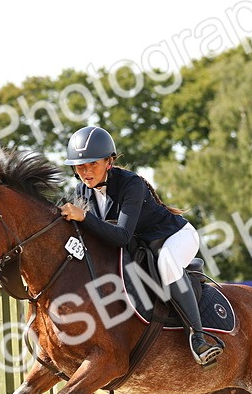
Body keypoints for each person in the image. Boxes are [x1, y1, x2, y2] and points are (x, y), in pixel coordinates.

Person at [57, 125, 223, 366]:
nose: (86, 171)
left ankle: (199, 337)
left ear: (108, 162)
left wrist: (83, 217)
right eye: (80, 166)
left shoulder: (131, 184)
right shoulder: (82, 189)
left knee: (166, 262)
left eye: (93, 164)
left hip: (174, 236)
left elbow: (122, 236)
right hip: (143, 244)